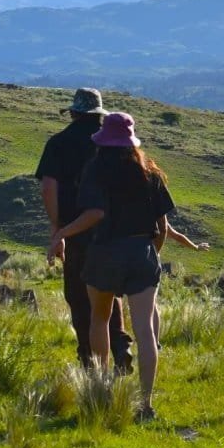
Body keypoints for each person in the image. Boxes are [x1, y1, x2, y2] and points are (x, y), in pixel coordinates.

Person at [47, 112, 174, 420]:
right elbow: (163, 226)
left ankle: (101, 392)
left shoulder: (95, 170)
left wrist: (62, 233)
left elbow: (95, 214)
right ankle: (146, 404)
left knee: (99, 320)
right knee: (145, 330)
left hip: (104, 253)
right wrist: (151, 253)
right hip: (141, 252)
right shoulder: (150, 172)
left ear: (103, 141)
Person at [36, 88, 133, 372]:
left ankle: (88, 358)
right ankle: (120, 345)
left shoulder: (58, 143)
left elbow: (48, 188)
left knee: (79, 295)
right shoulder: (112, 145)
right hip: (112, 229)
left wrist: (58, 229)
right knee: (108, 290)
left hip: (76, 231)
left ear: (73, 113)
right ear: (99, 114)